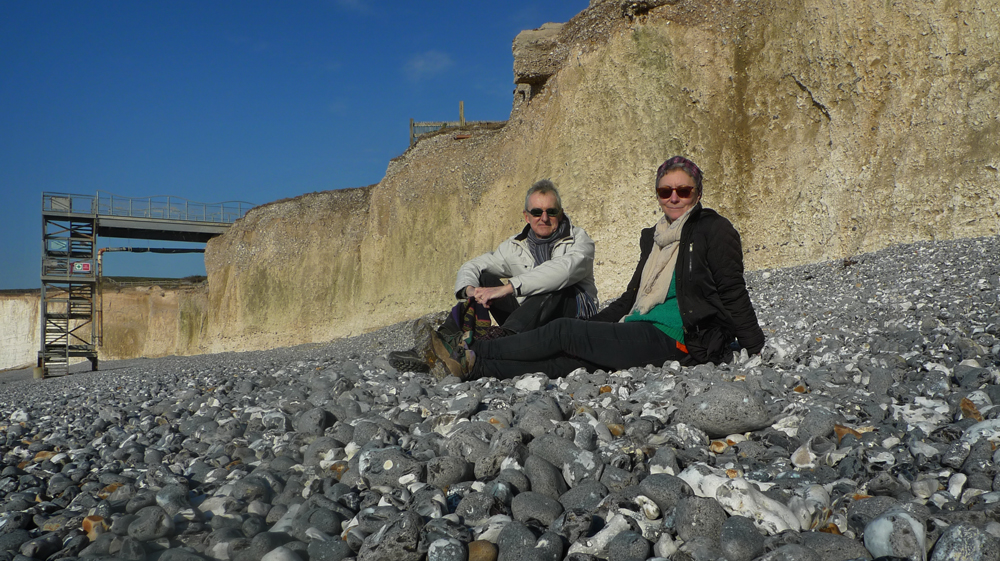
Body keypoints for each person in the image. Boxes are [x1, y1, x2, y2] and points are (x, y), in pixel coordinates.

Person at [427, 156, 765, 380]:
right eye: (666, 190)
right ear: (658, 194)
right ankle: (474, 367)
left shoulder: (713, 229)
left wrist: (754, 347)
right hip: (640, 324)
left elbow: (732, 290)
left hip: (678, 338)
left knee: (562, 332)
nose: (674, 197)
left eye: (683, 190)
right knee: (567, 362)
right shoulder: (655, 237)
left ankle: (469, 348)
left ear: (697, 192)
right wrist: (591, 327)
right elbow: (630, 298)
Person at [388, 179, 599, 373]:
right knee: (484, 277)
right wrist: (471, 290)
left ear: (560, 214)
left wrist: (507, 288)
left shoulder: (579, 240)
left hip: (573, 318)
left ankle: (488, 347)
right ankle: (443, 344)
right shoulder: (515, 246)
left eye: (551, 211)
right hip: (528, 321)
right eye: (537, 212)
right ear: (526, 216)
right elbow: (474, 265)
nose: (544, 218)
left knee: (555, 286)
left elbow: (563, 270)